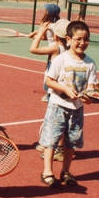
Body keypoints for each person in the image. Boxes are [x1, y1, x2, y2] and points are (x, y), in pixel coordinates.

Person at [39, 21, 99, 187]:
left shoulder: (90, 63)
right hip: (57, 106)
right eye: (78, 39)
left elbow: (91, 87)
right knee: (51, 139)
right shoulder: (61, 59)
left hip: (77, 110)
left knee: (71, 142)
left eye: (86, 39)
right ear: (68, 39)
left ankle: (65, 171)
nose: (82, 43)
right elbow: (50, 81)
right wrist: (65, 89)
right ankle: (47, 172)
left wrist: (89, 97)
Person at [31, 18, 69, 162]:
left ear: (55, 36)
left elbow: (33, 49)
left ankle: (58, 149)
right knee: (58, 118)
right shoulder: (69, 48)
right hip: (61, 85)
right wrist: (38, 34)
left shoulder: (56, 48)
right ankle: (50, 144)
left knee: (56, 120)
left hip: (54, 86)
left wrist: (41, 33)